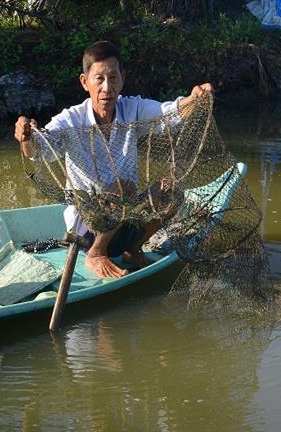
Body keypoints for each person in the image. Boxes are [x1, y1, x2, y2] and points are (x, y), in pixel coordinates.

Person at [14, 40, 212, 278]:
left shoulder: (133, 109)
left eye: (113, 78)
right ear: (84, 82)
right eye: (99, 79)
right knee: (122, 188)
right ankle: (96, 254)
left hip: (126, 220)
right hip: (85, 231)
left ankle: (132, 249)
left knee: (172, 192)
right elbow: (38, 152)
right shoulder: (70, 120)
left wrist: (194, 99)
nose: (107, 87)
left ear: (122, 79)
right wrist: (26, 137)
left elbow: (169, 114)